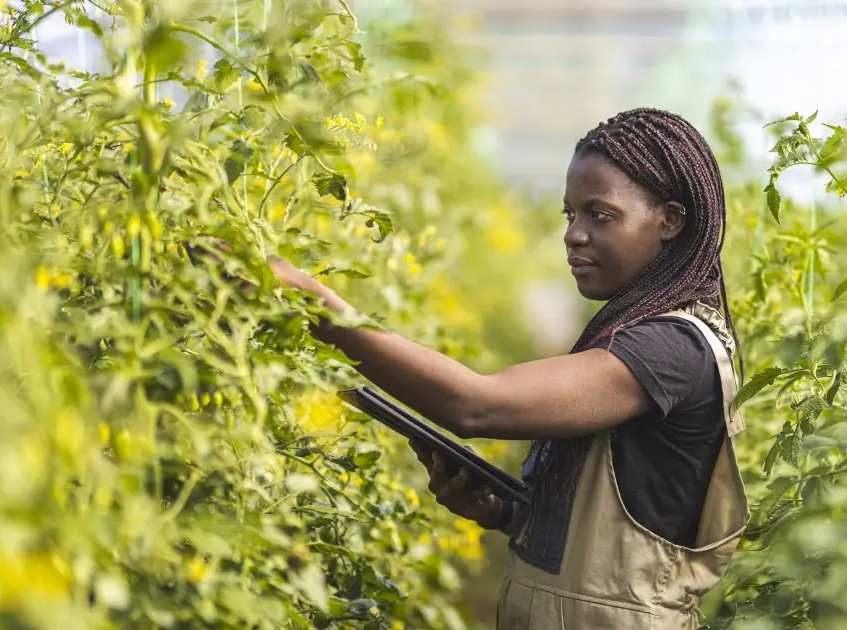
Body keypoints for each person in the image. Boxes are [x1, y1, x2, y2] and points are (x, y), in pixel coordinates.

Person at [267, 108, 749, 629]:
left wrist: (313, 302)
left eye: (600, 214)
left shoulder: (671, 349)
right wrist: (506, 514)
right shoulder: (639, 333)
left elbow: (477, 406)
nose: (574, 234)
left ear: (670, 220)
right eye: (570, 215)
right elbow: (618, 542)